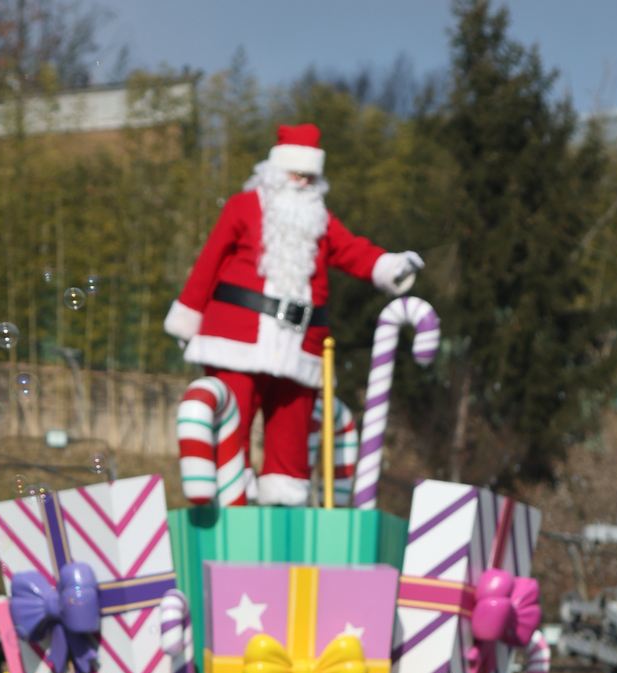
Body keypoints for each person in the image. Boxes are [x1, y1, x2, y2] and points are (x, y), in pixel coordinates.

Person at [163, 123, 423, 506]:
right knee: (232, 420)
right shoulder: (243, 206)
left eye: (309, 175)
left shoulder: (321, 221)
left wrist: (390, 266)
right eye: (294, 173)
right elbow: (209, 261)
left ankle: (284, 509)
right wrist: (188, 314)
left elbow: (353, 251)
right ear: (275, 170)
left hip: (303, 347)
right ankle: (229, 505)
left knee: (292, 434)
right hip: (237, 338)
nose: (301, 181)